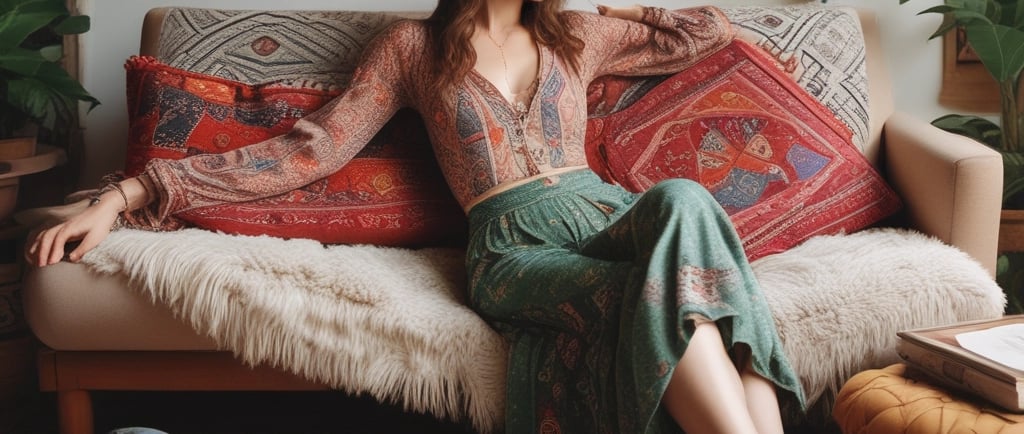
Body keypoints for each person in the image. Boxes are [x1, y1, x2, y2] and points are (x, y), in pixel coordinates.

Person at [28, 1, 806, 432]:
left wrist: (625, 5)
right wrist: (128, 194)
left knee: (684, 201)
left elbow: (709, 31)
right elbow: (311, 151)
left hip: (604, 212)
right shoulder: (411, 48)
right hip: (515, 245)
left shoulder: (579, 34)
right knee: (681, 302)